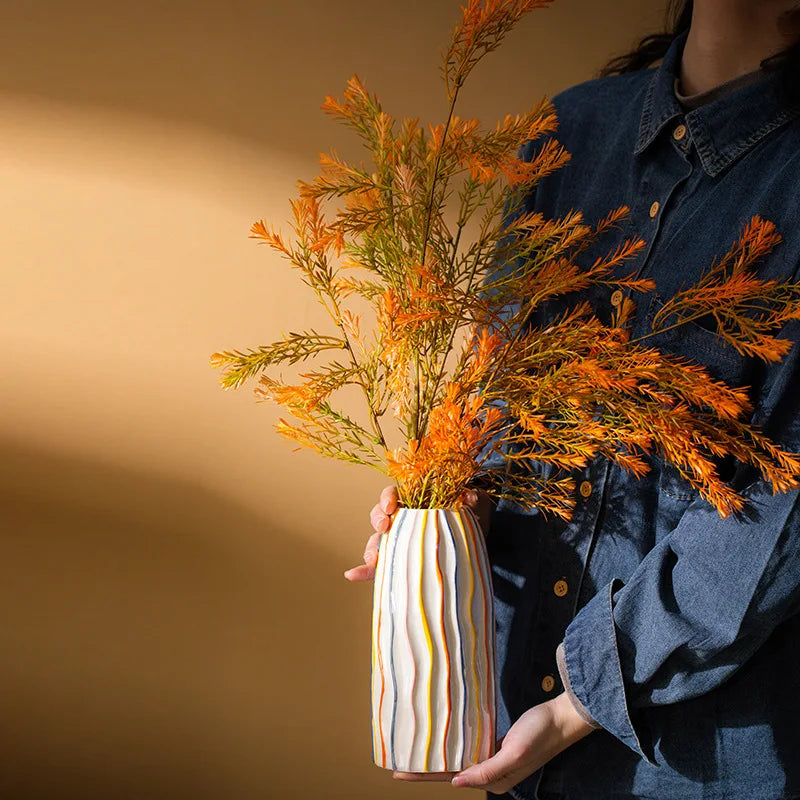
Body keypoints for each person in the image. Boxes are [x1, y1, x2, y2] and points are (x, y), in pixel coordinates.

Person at [345, 1, 800, 798]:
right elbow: (497, 383)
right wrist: (447, 506)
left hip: (698, 757)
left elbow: (779, 510)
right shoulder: (572, 133)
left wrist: (581, 696)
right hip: (515, 713)